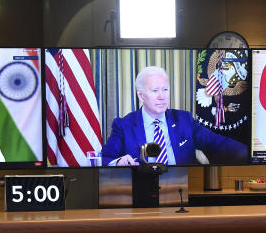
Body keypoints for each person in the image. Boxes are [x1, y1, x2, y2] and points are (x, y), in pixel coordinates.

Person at [101, 66, 247, 166]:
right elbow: (104, 159)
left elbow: (217, 143)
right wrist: (118, 161)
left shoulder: (184, 120)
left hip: (181, 189)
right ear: (141, 95)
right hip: (140, 191)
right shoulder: (124, 125)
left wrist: (250, 155)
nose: (162, 96)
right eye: (155, 91)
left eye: (165, 89)